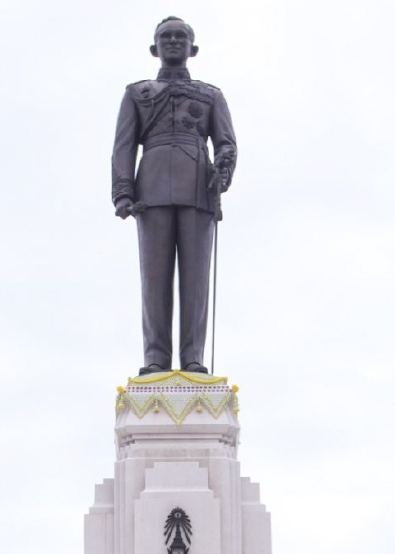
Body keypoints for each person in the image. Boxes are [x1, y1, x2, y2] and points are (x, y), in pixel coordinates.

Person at [112, 14, 237, 374]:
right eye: (165, 36)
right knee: (154, 279)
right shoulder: (137, 94)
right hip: (149, 191)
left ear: (192, 48)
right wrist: (123, 192)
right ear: (154, 48)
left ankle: (193, 357)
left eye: (180, 36)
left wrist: (225, 167)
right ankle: (155, 357)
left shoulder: (211, 96)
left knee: (196, 280)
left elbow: (226, 142)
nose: (172, 41)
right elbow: (122, 147)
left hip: (198, 186)